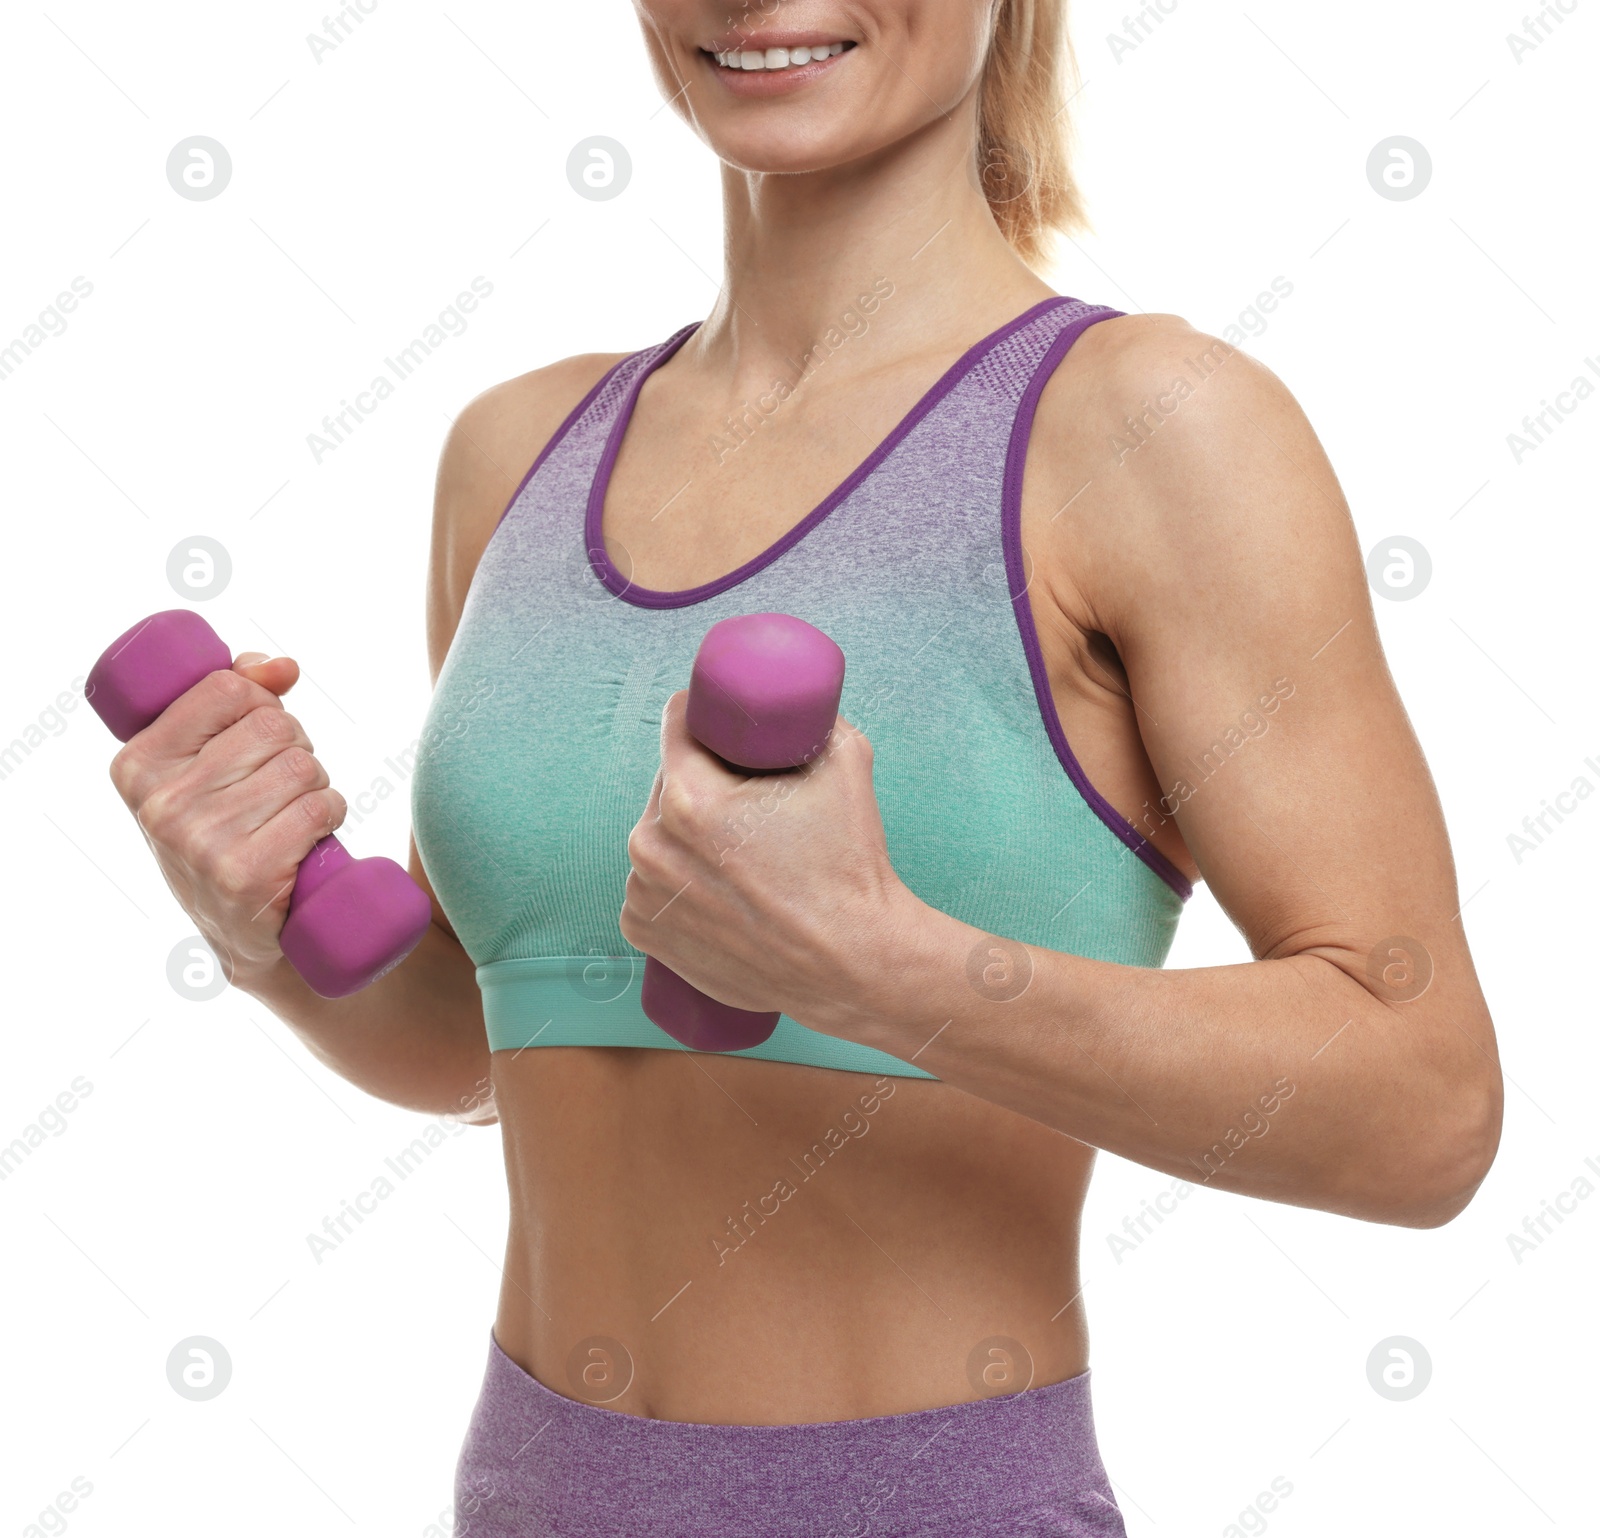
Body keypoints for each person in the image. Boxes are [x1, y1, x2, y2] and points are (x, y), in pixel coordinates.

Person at [108, 3, 1503, 1532]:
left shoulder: (1150, 430)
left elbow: (1422, 1104)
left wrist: (891, 970)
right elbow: (489, 1039)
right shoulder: (513, 450)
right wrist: (266, 932)